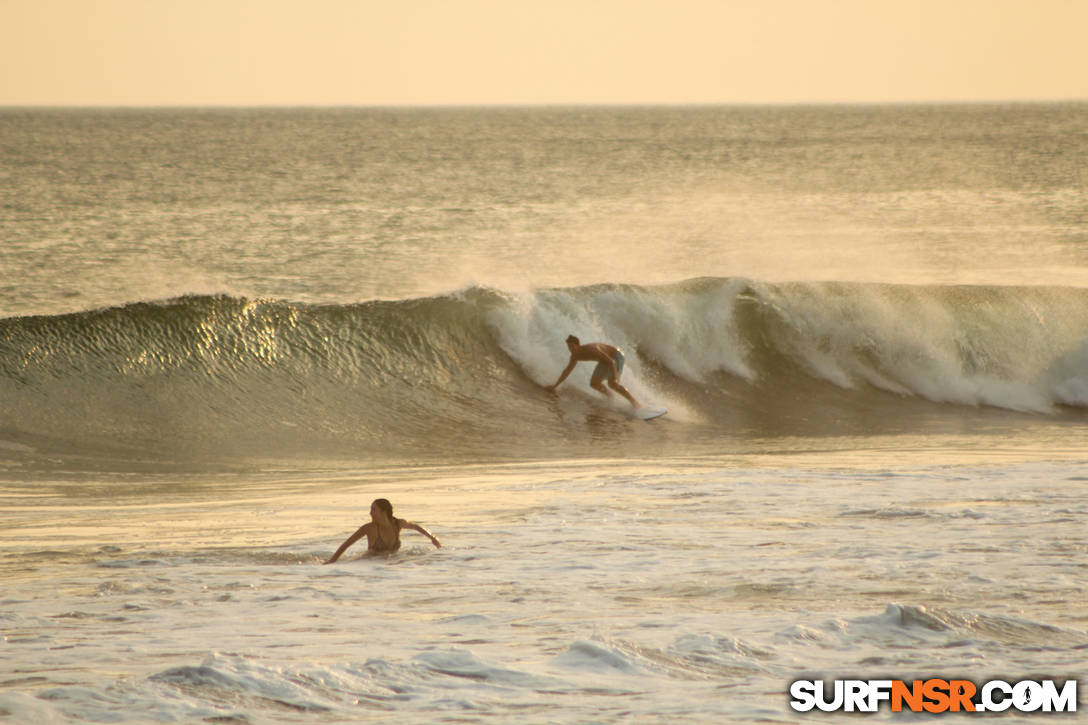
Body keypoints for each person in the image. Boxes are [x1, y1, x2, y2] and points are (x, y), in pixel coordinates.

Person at [323, 498, 441, 563]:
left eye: (373, 510)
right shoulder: (369, 528)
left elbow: (416, 526)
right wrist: (332, 561)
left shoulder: (397, 523)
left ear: (383, 512)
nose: (370, 513)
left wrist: (433, 538)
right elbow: (346, 544)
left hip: (389, 564)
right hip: (370, 563)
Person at [545, 335, 640, 409]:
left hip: (615, 357)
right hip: (604, 362)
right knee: (594, 383)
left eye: (572, 346)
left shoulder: (591, 349)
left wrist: (615, 376)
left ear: (578, 345)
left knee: (612, 384)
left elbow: (611, 362)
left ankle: (635, 403)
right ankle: (610, 398)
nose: (571, 349)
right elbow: (567, 371)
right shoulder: (574, 356)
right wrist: (555, 385)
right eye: (569, 347)